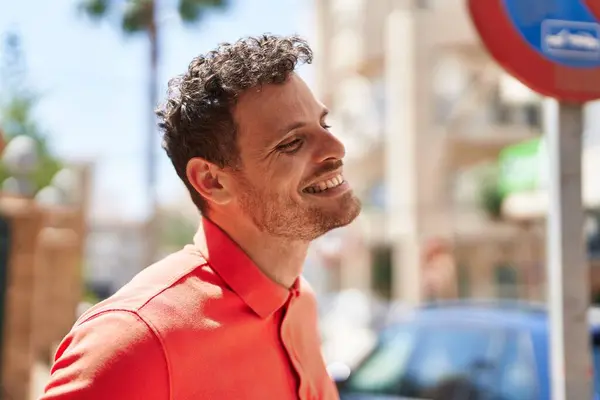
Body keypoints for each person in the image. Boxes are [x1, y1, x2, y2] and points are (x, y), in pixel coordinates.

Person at [41, 34, 361, 399]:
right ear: (211, 181)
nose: (336, 148)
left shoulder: (301, 303)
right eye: (291, 143)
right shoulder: (129, 340)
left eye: (324, 125)